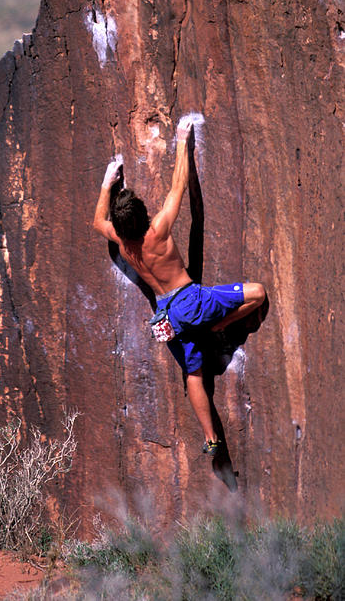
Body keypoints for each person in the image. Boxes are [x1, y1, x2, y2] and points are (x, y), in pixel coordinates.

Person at [92, 117, 266, 457]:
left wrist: (107, 183)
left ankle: (211, 438)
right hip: (191, 302)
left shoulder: (124, 243)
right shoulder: (156, 230)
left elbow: (99, 221)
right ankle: (220, 324)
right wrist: (183, 139)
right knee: (258, 293)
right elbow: (177, 188)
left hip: (165, 316)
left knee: (195, 373)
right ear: (143, 214)